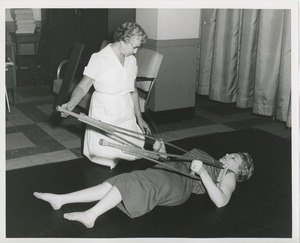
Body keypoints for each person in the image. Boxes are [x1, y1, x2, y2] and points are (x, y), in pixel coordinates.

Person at [33, 141, 254, 229]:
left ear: (239, 171)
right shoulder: (213, 161)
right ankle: (62, 199)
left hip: (179, 184)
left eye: (233, 157)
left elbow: (221, 201)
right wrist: (160, 153)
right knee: (118, 182)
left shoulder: (229, 175)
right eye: (230, 153)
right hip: (168, 172)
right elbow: (176, 162)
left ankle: (90, 216)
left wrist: (204, 172)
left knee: (129, 182)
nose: (227, 154)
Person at [60, 22, 151, 169]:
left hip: (125, 113)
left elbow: (132, 90)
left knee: (133, 156)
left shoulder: (131, 60)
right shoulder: (99, 58)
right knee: (105, 161)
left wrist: (139, 118)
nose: (135, 52)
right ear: (123, 40)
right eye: (134, 47)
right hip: (105, 113)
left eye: (137, 48)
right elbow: (83, 86)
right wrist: (71, 103)